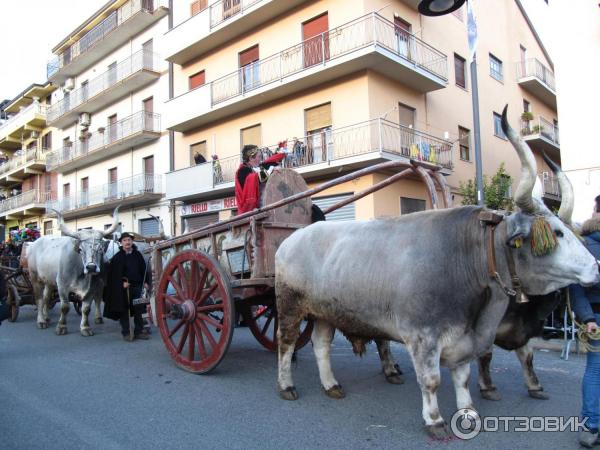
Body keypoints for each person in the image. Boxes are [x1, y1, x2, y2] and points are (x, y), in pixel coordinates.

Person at [570, 198, 600, 447]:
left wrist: (588, 317)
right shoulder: (584, 247)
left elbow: (576, 290)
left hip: (594, 318)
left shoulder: (582, 246)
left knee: (594, 371)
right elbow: (577, 288)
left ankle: (591, 427)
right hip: (595, 318)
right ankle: (591, 425)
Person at [103, 232, 151, 342]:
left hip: (138, 286)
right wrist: (121, 283)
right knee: (124, 310)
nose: (127, 242)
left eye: (129, 240)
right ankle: (126, 332)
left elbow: (143, 269)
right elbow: (113, 275)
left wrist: (146, 282)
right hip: (124, 289)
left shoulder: (137, 254)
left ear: (132, 241)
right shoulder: (117, 258)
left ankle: (139, 331)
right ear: (121, 243)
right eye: (124, 240)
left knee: (139, 309)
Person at [234, 144, 284, 214]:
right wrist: (271, 170)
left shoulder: (253, 168)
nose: (260, 159)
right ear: (251, 158)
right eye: (259, 157)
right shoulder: (243, 171)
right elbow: (260, 178)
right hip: (248, 210)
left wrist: (280, 152)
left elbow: (267, 165)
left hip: (258, 208)